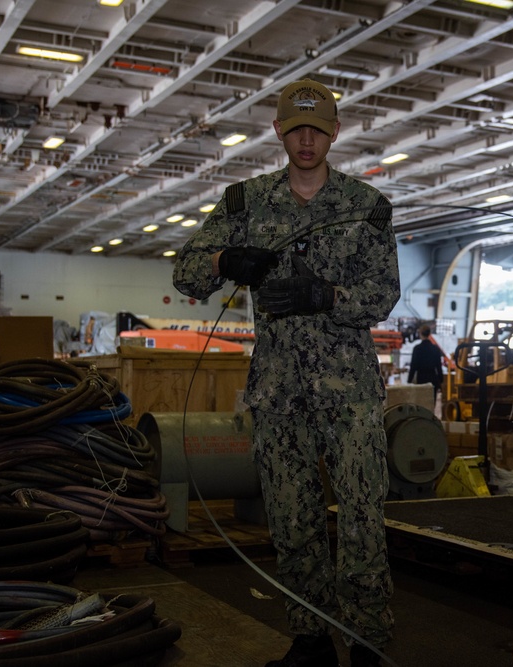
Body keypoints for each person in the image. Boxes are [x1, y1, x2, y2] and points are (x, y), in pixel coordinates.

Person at [172, 78, 399, 667]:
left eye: (317, 130)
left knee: (360, 520)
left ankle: (369, 641)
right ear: (277, 130)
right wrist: (226, 259)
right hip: (278, 392)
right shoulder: (245, 204)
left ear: (335, 133)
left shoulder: (364, 207)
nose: (306, 140)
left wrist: (326, 295)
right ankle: (312, 639)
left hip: (349, 392)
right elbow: (188, 273)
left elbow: (382, 295)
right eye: (296, 128)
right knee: (291, 519)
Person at [407, 325, 445, 410]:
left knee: (421, 404)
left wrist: (409, 381)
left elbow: (413, 366)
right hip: (433, 379)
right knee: (431, 404)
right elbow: (439, 366)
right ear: (429, 334)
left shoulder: (417, 349)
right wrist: (441, 380)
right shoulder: (435, 349)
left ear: (420, 334)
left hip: (421, 379)